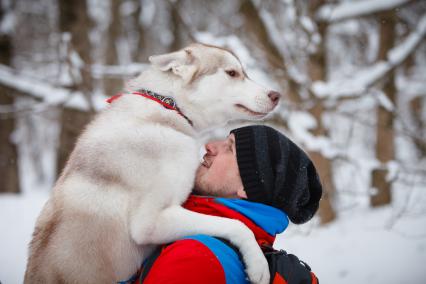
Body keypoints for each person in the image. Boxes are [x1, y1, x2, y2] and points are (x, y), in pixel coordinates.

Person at [123, 125, 322, 284]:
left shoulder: (197, 258)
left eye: (229, 148)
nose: (210, 146)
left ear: (247, 187)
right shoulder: (237, 255)